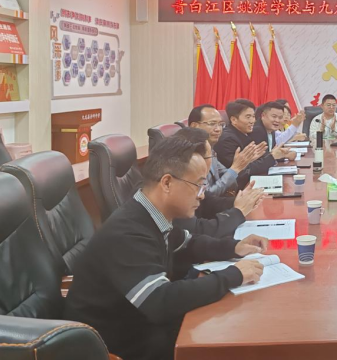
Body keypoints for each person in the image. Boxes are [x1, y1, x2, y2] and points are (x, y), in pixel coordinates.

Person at [64, 136, 270, 360]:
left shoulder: (152, 214)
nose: (202, 195)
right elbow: (160, 301)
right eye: (198, 185)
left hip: (142, 326)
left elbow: (190, 243)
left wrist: (234, 247)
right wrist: (233, 275)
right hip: (114, 345)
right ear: (167, 183)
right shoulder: (128, 232)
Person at [174, 127, 265, 238]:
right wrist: (238, 212)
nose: (218, 129)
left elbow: (209, 201)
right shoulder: (179, 185)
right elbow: (198, 230)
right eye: (210, 156)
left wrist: (240, 201)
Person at [188, 104, 265, 197]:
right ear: (194, 126)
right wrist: (235, 168)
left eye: (220, 124)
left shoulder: (210, 149)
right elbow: (206, 195)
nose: (218, 129)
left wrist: (243, 163)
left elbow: (231, 179)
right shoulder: (191, 155)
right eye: (212, 124)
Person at [214, 99, 289, 175]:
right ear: (234, 120)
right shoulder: (227, 140)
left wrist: (275, 155)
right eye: (248, 117)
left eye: (253, 116)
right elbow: (241, 172)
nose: (252, 121)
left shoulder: (244, 134)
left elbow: (257, 160)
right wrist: (272, 157)